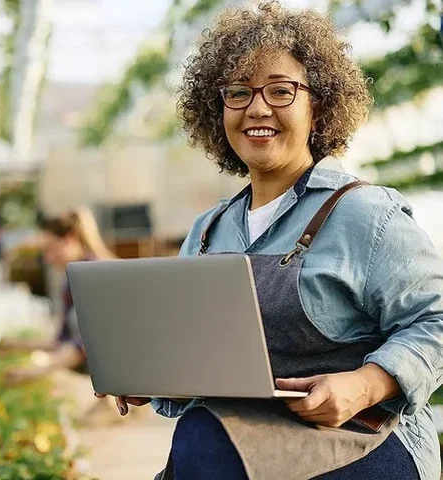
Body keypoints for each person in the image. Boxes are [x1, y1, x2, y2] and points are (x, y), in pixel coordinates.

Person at [101, 3, 443, 479]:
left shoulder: (366, 214)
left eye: (281, 91)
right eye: (238, 92)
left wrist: (365, 385)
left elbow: (436, 319)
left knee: (203, 442)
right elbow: (199, 365)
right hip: (243, 440)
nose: (257, 108)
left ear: (318, 107)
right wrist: (154, 378)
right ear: (217, 110)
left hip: (361, 437)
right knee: (201, 434)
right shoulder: (207, 232)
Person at [0, 207, 116, 385]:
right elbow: (63, 340)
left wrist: (36, 372)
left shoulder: (96, 276)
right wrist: (16, 345)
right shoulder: (71, 280)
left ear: (70, 239)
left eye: (51, 249)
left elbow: (91, 343)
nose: (48, 258)